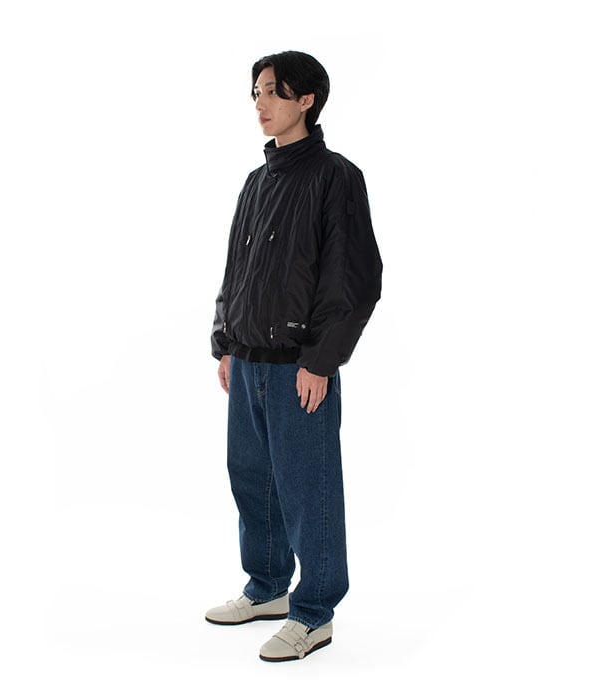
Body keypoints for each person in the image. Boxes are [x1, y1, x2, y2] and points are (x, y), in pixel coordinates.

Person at [208, 50, 383, 662]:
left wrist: (321, 360)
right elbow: (236, 269)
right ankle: (266, 588)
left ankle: (313, 614)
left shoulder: (336, 177)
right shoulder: (256, 183)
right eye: (256, 92)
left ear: (306, 100)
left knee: (310, 489)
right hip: (248, 361)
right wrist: (226, 343)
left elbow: (355, 280)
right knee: (253, 481)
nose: (260, 103)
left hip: (299, 367)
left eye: (273, 92)